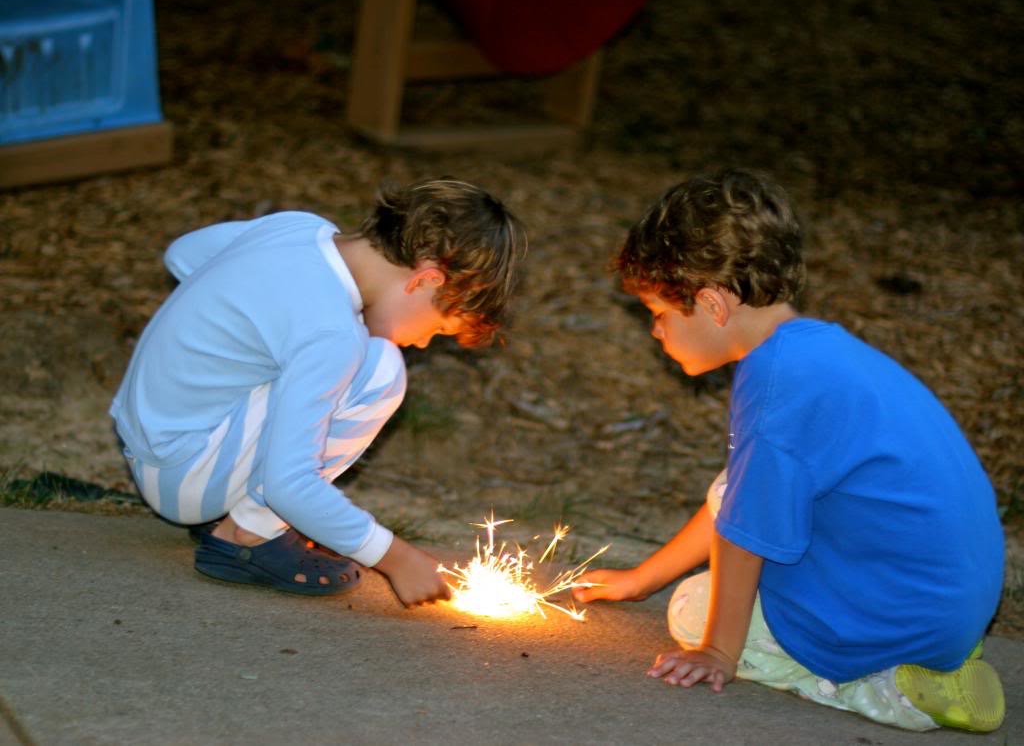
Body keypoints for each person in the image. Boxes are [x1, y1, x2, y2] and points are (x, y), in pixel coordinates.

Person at [573, 169, 1005, 733]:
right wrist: (641, 580)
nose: (656, 332)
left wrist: (718, 651)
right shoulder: (818, 352)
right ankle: (929, 648)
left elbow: (743, 532)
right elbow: (736, 494)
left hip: (899, 618)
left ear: (712, 304)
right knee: (747, 490)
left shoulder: (775, 383)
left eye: (659, 315)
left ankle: (889, 688)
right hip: (947, 604)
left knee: (693, 608)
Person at [111, 178, 525, 607]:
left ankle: (235, 503)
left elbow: (182, 253)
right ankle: (248, 532)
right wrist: (397, 559)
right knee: (381, 371)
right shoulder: (331, 333)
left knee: (322, 359)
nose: (422, 342)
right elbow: (288, 483)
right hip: (184, 476)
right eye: (438, 328)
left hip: (155, 439)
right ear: (426, 280)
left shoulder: (300, 228)